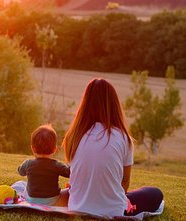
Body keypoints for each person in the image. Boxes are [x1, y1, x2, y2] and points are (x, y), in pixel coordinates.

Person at [62, 78, 163, 217]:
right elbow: (125, 182)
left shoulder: (73, 136)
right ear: (114, 104)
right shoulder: (123, 137)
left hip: (77, 206)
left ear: (84, 104)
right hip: (113, 210)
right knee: (155, 194)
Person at [17, 124, 70, 206]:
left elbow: (21, 172)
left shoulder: (28, 164)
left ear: (33, 148)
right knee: (69, 191)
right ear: (54, 149)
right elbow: (69, 173)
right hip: (53, 201)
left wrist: (20, 168)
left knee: (20, 184)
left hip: (31, 200)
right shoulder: (56, 165)